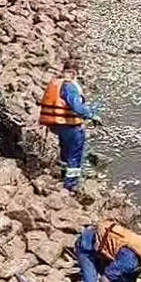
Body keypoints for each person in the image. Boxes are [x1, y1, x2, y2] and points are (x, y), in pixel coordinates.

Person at [39, 59, 100, 191]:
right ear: (74, 73)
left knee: (65, 152)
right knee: (75, 155)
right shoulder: (69, 86)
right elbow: (76, 107)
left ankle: (62, 175)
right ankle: (71, 184)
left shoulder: (56, 83)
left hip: (58, 125)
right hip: (70, 126)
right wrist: (91, 114)